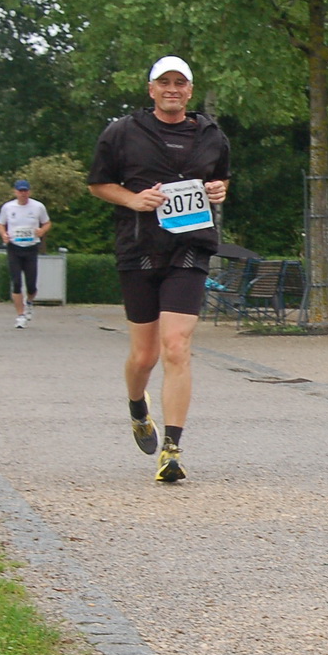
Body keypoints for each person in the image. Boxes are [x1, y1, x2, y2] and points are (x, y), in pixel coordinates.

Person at [87, 56, 231, 484]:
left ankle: (172, 448)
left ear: (189, 90)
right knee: (145, 355)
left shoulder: (211, 135)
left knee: (175, 346)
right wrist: (132, 200)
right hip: (140, 249)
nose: (172, 89)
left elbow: (219, 181)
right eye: (164, 82)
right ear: (151, 89)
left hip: (190, 248)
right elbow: (98, 183)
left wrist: (219, 190)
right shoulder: (122, 132)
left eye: (180, 83)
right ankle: (137, 405)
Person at [0, 180, 51, 327]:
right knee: (16, 282)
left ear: (29, 192)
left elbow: (47, 223)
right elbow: (0, 223)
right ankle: (20, 315)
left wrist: (42, 231)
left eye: (25, 191)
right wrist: (3, 234)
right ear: (15, 192)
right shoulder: (8, 207)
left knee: (31, 284)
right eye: (20, 191)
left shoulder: (38, 206)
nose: (23, 194)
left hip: (31, 247)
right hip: (14, 247)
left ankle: (30, 301)